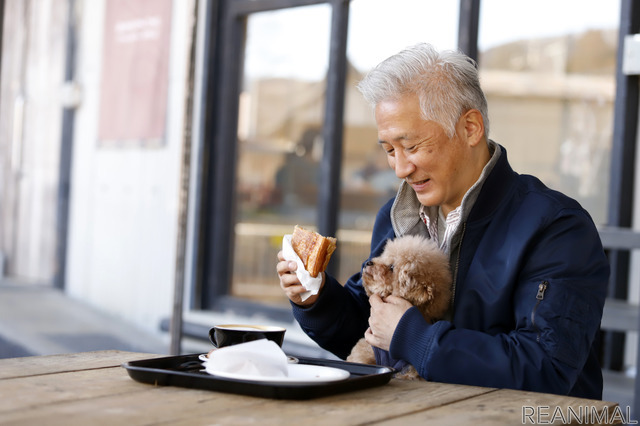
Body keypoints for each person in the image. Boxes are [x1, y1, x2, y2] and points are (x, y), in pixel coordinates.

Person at [276, 43, 609, 399]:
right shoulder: (395, 218)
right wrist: (316, 298)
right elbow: (366, 332)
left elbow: (547, 368)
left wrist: (412, 337)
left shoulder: (556, 227)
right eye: (389, 150)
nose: (401, 168)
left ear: (469, 128)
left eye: (412, 146)